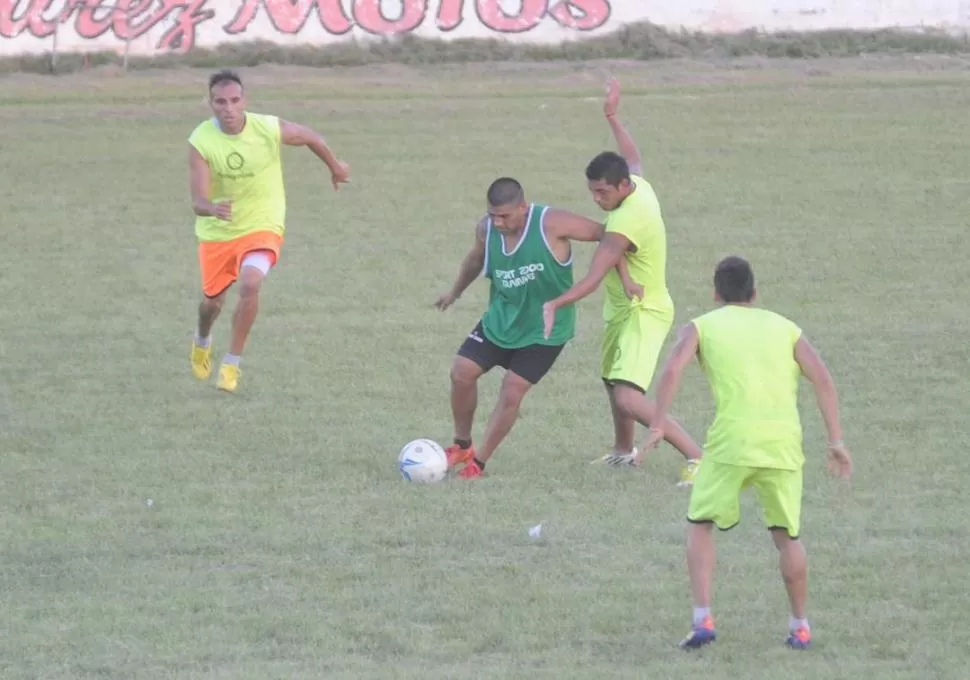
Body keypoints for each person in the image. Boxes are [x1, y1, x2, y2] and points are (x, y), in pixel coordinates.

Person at [639, 256, 853, 650]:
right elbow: (823, 377)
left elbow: (671, 370)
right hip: (783, 446)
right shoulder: (786, 328)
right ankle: (800, 626)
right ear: (755, 293)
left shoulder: (702, 326)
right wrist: (836, 441)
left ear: (715, 293)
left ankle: (703, 619)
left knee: (700, 524)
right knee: (788, 537)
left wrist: (658, 424)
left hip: (731, 445)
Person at [542, 78, 703, 486]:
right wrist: (613, 116)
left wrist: (555, 304)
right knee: (613, 380)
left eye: (602, 193)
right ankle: (622, 451)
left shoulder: (625, 221)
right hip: (623, 307)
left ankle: (701, 459)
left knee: (629, 395)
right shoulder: (637, 186)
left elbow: (594, 276)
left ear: (621, 189)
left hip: (645, 311)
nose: (597, 200)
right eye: (592, 193)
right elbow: (633, 157)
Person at [434, 177, 640, 479]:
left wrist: (626, 279)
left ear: (523, 207)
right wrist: (455, 292)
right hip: (502, 320)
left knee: (511, 390)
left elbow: (610, 237)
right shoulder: (486, 228)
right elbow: (476, 259)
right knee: (461, 372)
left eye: (504, 215)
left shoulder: (552, 223)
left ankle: (478, 462)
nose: (498, 222)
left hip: (545, 331)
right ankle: (462, 444)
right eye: (493, 215)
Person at [187, 69, 350, 393]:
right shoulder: (201, 141)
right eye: (220, 102)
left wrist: (335, 168)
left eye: (235, 101)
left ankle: (232, 364)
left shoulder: (266, 128)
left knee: (250, 283)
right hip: (218, 232)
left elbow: (311, 137)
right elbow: (197, 200)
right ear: (210, 104)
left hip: (263, 223)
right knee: (212, 305)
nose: (228, 108)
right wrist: (211, 207)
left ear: (244, 100)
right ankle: (202, 338)